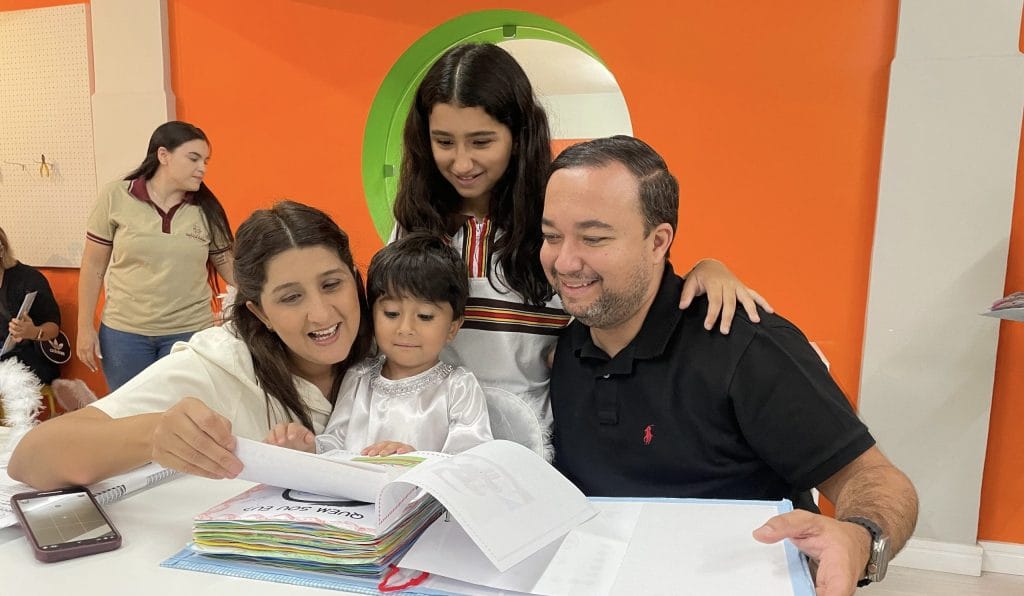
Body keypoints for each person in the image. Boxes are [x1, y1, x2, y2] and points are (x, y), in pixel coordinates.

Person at [541, 136, 918, 596]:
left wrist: (860, 538)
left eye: (594, 238)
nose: (565, 261)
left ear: (658, 242)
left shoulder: (746, 346)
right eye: (551, 236)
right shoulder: (559, 345)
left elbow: (874, 477)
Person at [393, 43, 771, 452]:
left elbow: (630, 285)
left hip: (537, 441)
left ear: (519, 137)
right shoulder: (414, 225)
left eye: (481, 142)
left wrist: (709, 267)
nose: (462, 163)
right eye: (444, 142)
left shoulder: (556, 220)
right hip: (431, 438)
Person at [9, 201, 373, 490]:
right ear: (260, 313)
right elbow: (32, 459)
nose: (321, 314)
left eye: (331, 284)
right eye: (291, 297)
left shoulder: (388, 347)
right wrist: (153, 434)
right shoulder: (220, 367)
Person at [265, 232, 492, 456]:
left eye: (425, 316)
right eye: (391, 313)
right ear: (372, 313)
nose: (405, 328)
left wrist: (415, 459)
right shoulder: (359, 377)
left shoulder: (459, 387)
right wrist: (310, 447)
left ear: (452, 328)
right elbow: (336, 440)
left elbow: (470, 459)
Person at [77, 120, 235, 392]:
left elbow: (226, 264)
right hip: (124, 336)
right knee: (131, 412)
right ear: (163, 155)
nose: (203, 168)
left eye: (205, 161)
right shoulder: (115, 196)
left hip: (190, 333)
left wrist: (264, 298)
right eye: (194, 158)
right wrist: (84, 327)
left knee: (183, 410)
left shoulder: (207, 209)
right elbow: (93, 266)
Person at [0, 226, 63, 385]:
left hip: (30, 359)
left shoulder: (29, 279)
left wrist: (33, 332)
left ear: (1, 250)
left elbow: (53, 328)